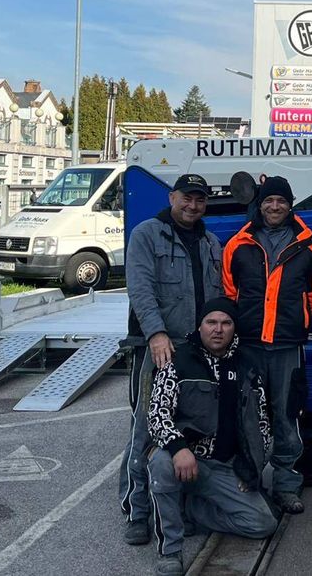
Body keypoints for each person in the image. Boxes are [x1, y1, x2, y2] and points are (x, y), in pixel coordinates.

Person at [120, 173, 222, 546]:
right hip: (158, 347)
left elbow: (217, 296)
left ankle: (174, 509)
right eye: (187, 198)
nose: (192, 206)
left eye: (200, 200)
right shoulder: (147, 234)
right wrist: (156, 333)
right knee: (145, 429)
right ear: (172, 197)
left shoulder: (211, 243)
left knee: (185, 428)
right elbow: (141, 287)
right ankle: (137, 512)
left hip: (196, 350)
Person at [146, 298, 277, 576]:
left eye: (226, 323)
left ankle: (194, 511)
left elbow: (262, 425)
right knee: (160, 462)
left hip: (225, 466)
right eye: (211, 322)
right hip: (186, 460)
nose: (218, 329)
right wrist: (178, 447)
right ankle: (170, 550)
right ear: (201, 326)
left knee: (263, 523)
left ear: (234, 329)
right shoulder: (177, 361)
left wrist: (252, 466)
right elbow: (157, 414)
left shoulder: (249, 367)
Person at [222, 176, 312, 515]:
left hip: (286, 347)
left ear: (290, 204)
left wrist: (296, 317)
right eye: (268, 201)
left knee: (287, 416)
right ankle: (249, 483)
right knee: (247, 416)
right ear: (259, 204)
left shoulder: (309, 245)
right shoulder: (238, 244)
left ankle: (286, 486)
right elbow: (229, 294)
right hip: (248, 345)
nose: (274, 206)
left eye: (281, 200)